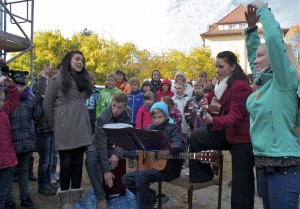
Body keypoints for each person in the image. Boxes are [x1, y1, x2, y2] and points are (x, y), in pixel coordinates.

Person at [244, 1, 300, 208]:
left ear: (276, 58)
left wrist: (263, 12)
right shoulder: (263, 86)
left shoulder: (283, 82)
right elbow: (254, 58)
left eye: (260, 56)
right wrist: (251, 29)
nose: (255, 61)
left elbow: (275, 42)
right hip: (262, 165)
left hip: (283, 167)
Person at [189, 51, 254, 209]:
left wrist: (213, 120)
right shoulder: (222, 83)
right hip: (229, 133)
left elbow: (235, 118)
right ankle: (203, 175)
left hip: (243, 138)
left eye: (221, 66)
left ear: (232, 67)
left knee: (241, 183)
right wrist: (205, 104)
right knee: (196, 137)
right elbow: (212, 98)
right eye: (216, 66)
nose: (217, 70)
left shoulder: (240, 86)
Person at [43, 50, 93, 208]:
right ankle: (65, 199)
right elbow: (47, 104)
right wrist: (58, 122)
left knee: (78, 162)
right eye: (77, 59)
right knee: (66, 163)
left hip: (81, 125)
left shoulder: (85, 79)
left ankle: (75, 196)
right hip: (65, 126)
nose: (80, 62)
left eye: (82, 60)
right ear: (68, 60)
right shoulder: (57, 78)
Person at [122, 102, 185, 209]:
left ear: (166, 115)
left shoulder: (173, 128)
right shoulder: (151, 128)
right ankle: (151, 196)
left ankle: (146, 206)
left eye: (160, 117)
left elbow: (179, 143)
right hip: (153, 166)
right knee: (126, 179)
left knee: (141, 176)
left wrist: (170, 150)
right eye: (154, 117)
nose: (157, 120)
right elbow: (142, 146)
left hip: (170, 169)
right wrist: (127, 151)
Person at [85, 92, 135, 209]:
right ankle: (100, 196)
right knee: (90, 161)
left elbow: (124, 137)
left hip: (116, 145)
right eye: (114, 106)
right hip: (99, 145)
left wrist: (116, 154)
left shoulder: (129, 112)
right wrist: (106, 170)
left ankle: (126, 187)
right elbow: (101, 145)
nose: (116, 110)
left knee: (134, 152)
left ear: (125, 107)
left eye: (119, 108)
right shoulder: (103, 118)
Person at [6, 70, 38, 209]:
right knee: (9, 173)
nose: (19, 88)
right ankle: (9, 200)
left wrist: (39, 102)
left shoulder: (29, 99)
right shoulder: (6, 101)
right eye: (17, 85)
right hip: (10, 144)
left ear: (26, 86)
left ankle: (25, 198)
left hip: (25, 142)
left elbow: (37, 117)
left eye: (22, 85)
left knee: (23, 171)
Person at [34, 63, 57, 196]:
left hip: (52, 128)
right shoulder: (38, 85)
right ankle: (42, 185)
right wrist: (43, 75)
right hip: (43, 128)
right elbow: (39, 94)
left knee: (50, 160)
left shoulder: (52, 86)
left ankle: (47, 182)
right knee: (44, 161)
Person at [0, 75, 19, 209]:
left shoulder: (4, 111)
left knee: (2, 194)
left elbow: (14, 100)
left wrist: (11, 86)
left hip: (5, 159)